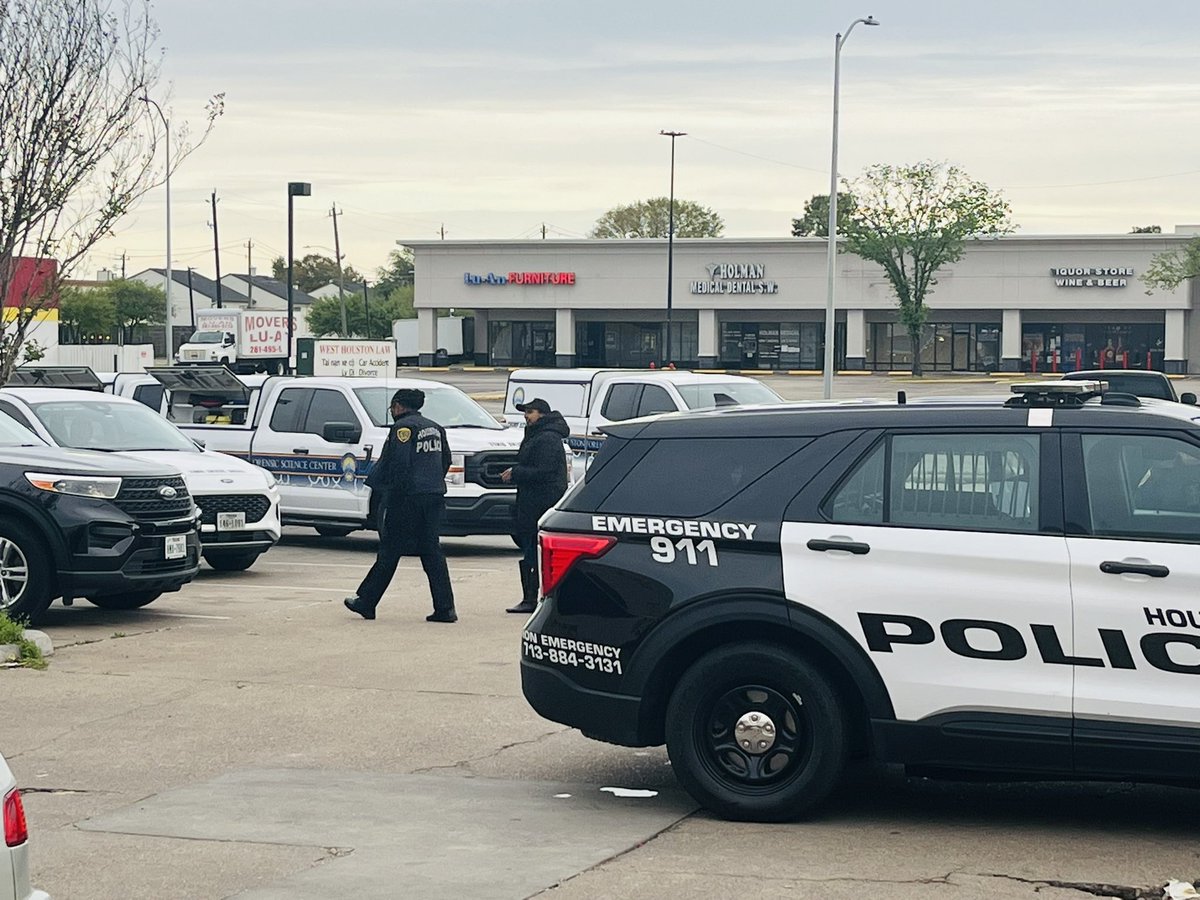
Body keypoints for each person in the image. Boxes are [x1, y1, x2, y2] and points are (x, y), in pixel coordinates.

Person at [344, 388, 457, 623]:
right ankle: (445, 608)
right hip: (433, 497)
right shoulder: (435, 428)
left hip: (407, 499)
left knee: (389, 550)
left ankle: (366, 601)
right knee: (431, 552)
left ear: (397, 406)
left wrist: (391, 493)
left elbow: (399, 464)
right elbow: (445, 459)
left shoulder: (403, 429)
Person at [500, 397, 569, 614]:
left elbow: (545, 471)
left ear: (542, 414)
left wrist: (516, 473)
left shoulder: (547, 438)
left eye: (530, 412)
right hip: (530, 501)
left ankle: (533, 598)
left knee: (535, 551)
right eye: (525, 412)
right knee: (530, 549)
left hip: (540, 503)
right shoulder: (536, 435)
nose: (526, 416)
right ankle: (529, 596)